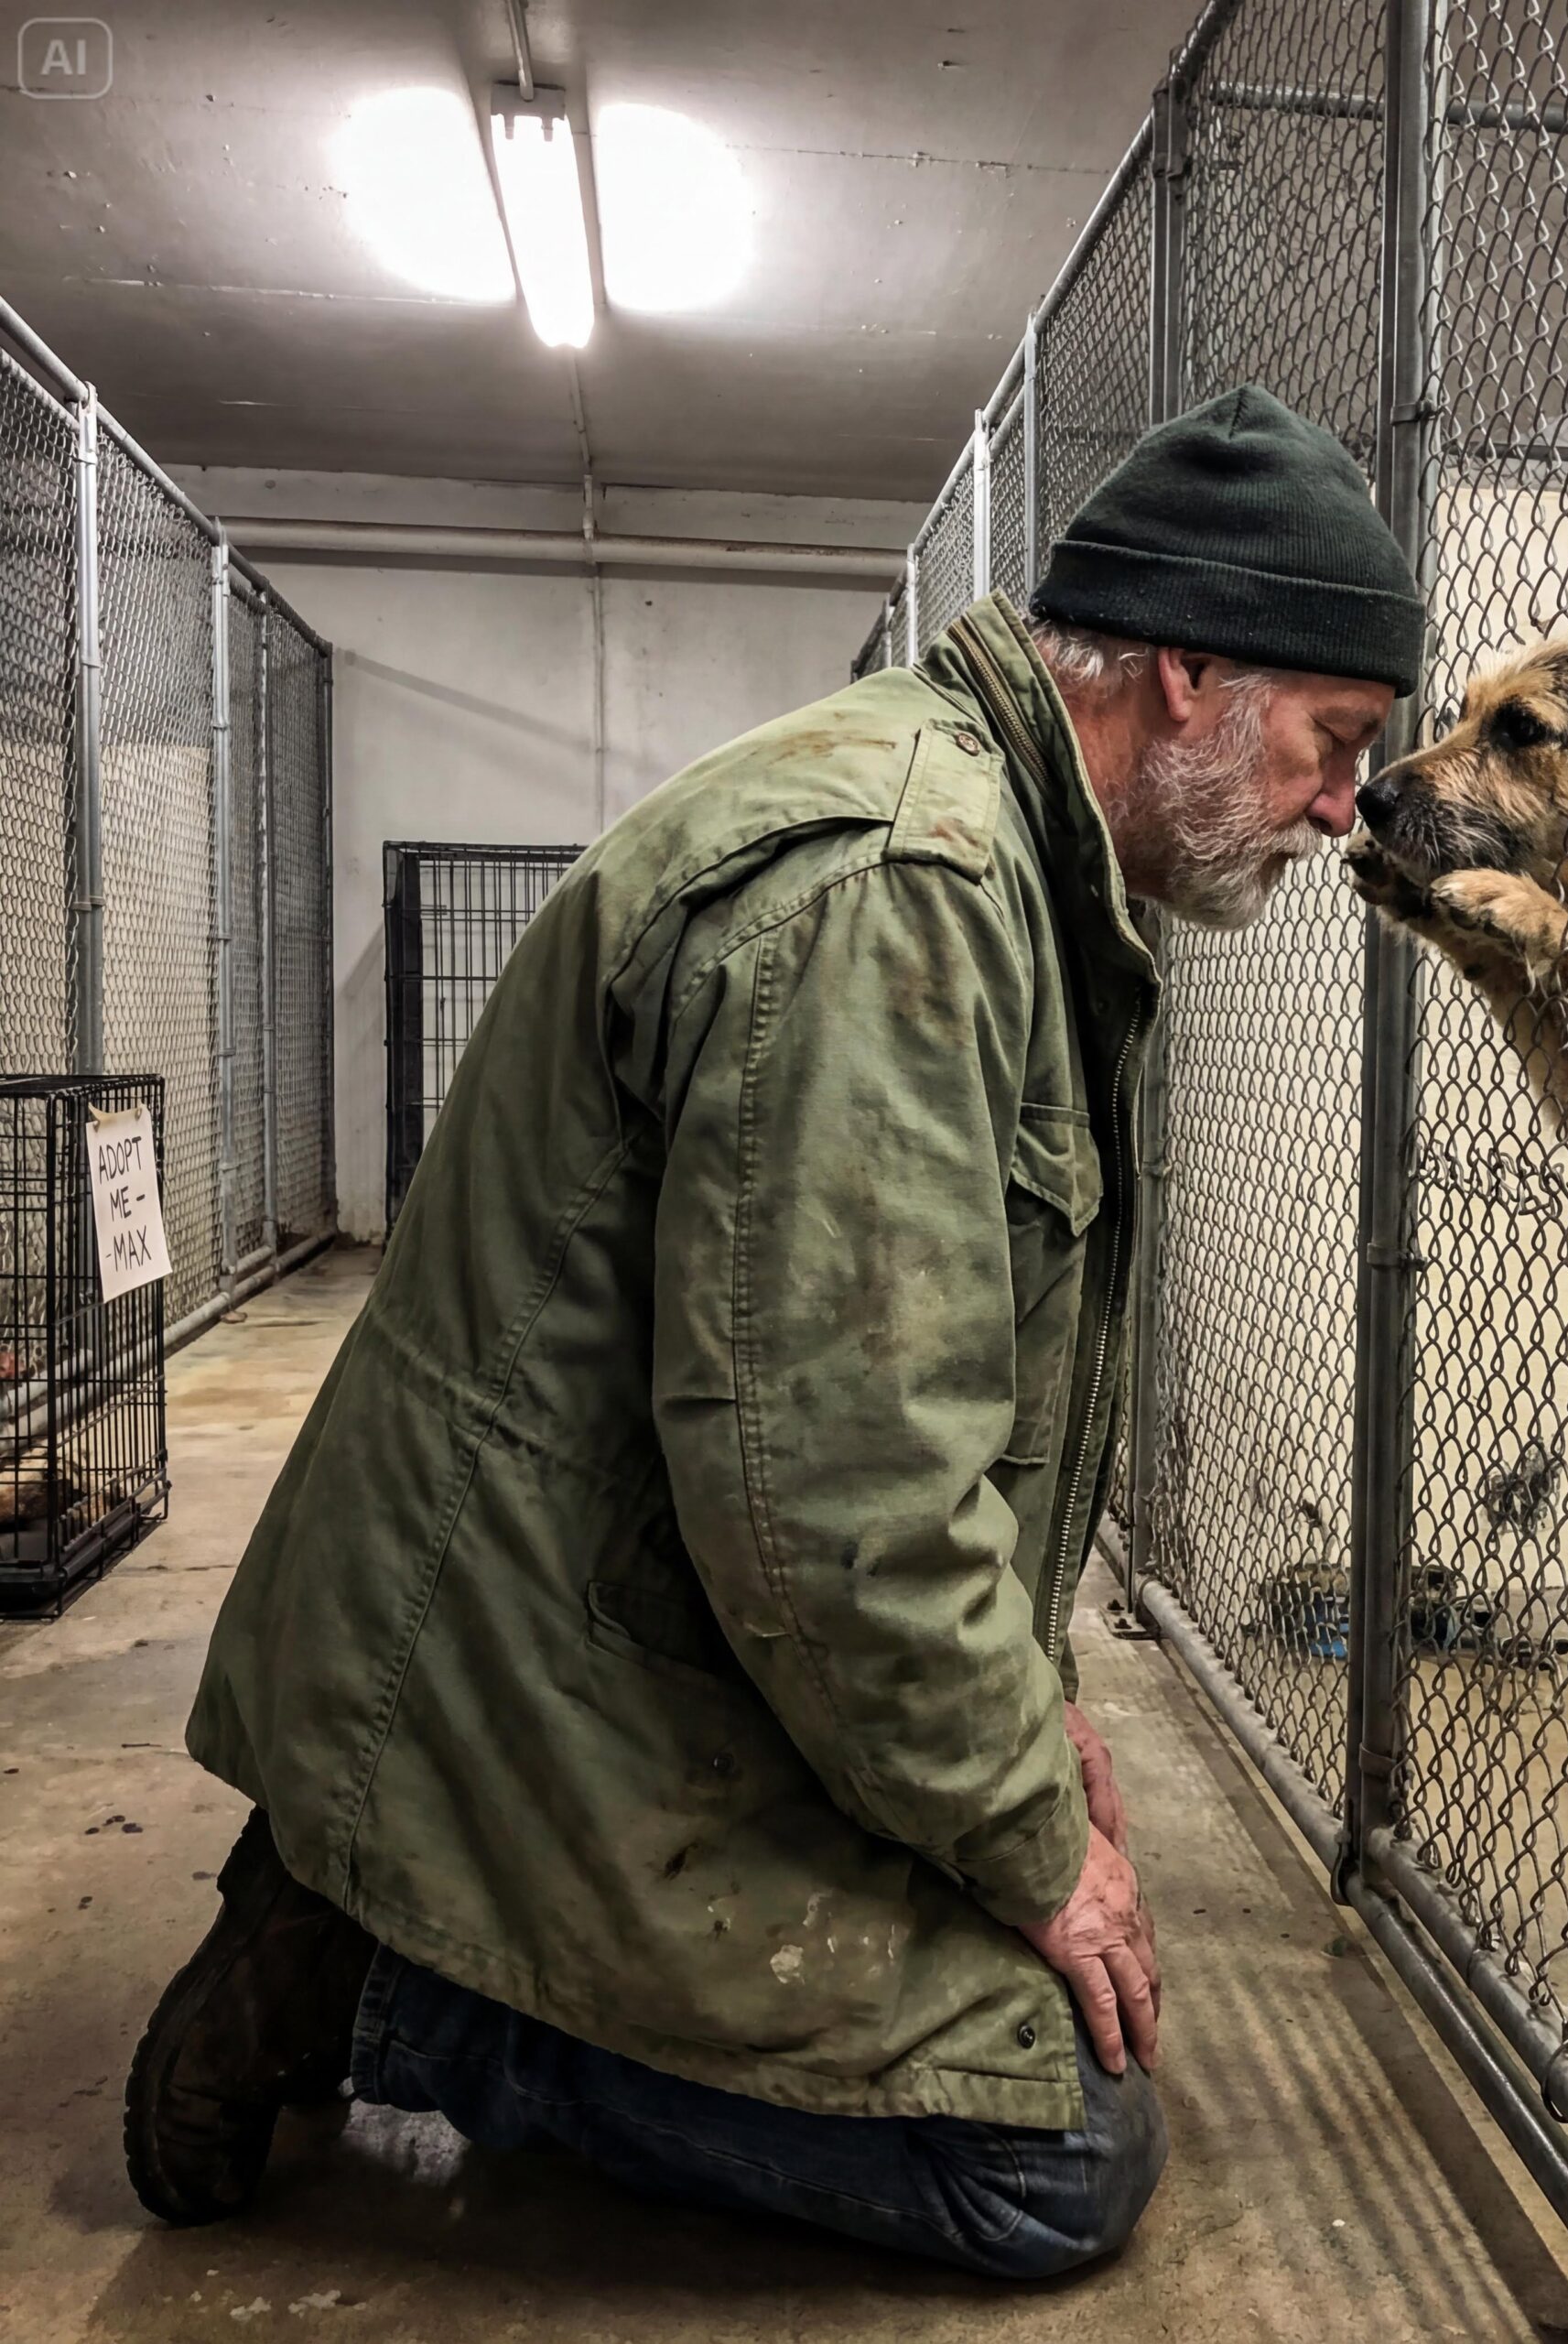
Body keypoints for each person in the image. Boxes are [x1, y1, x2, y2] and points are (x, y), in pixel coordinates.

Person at [124, 385, 1423, 2278]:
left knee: (1027, 1980)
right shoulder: (904, 892)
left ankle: (383, 1891)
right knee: (1055, 2150)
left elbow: (897, 1425)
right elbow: (839, 1502)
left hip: (603, 1602)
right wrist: (1031, 1838)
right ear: (1188, 670)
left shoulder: (991, 852)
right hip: (524, 1656)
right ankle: (389, 1986)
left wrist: (1030, 1713)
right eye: (1335, 741)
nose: (1339, 807)